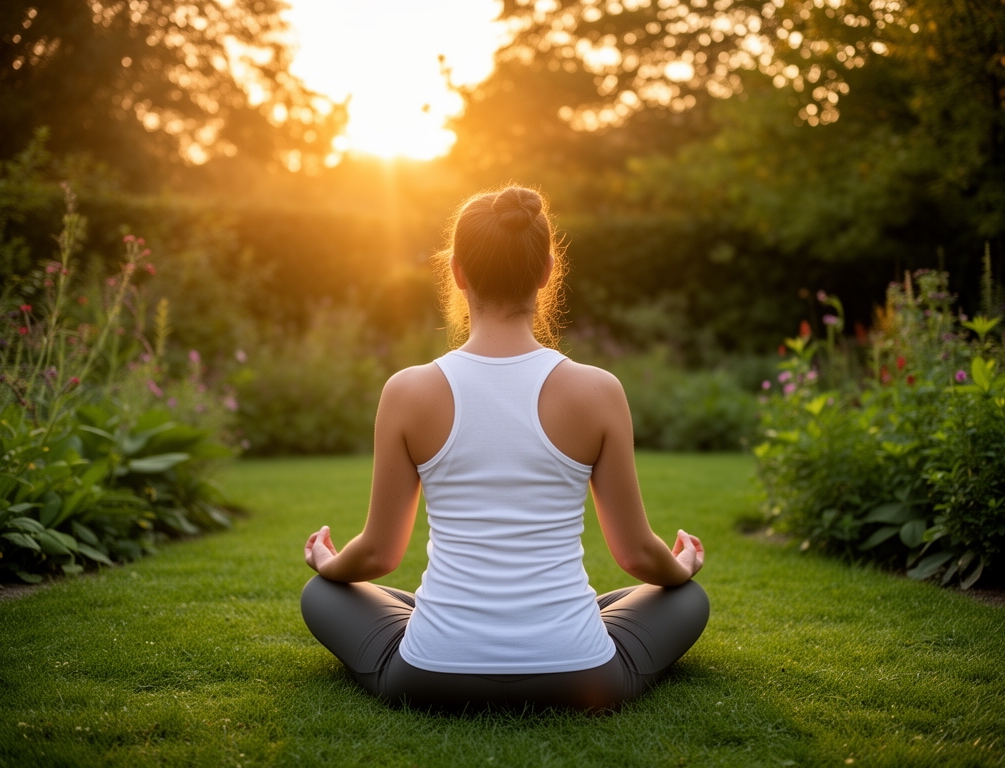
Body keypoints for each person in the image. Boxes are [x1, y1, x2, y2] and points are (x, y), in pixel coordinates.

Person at [300, 186, 709, 712]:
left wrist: (327, 564)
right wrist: (683, 568)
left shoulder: (406, 390)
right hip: (582, 677)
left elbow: (379, 553)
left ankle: (429, 634)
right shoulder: (598, 390)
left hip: (429, 677)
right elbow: (635, 555)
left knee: (323, 594)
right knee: (685, 598)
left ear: (456, 271)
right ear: (546, 270)